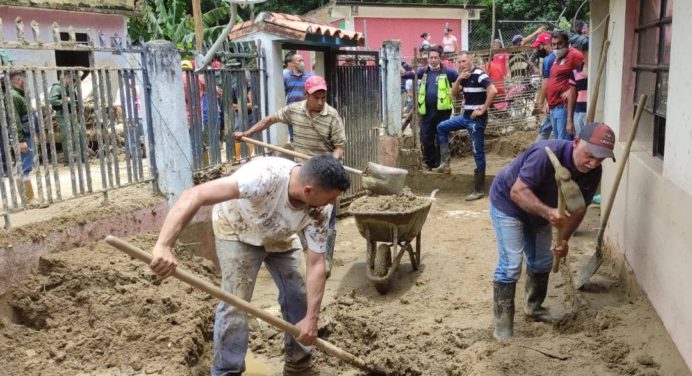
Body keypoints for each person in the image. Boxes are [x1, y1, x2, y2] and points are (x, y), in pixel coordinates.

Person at [149, 154, 350, 375]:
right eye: (330, 198)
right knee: (235, 302)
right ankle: (227, 371)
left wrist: (312, 318)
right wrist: (164, 245)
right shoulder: (263, 177)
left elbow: (315, 264)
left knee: (298, 295)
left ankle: (299, 364)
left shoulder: (321, 208)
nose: (333, 203)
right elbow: (194, 194)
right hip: (237, 229)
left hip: (281, 233)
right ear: (308, 191)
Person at [488, 122, 615, 341]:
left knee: (542, 262)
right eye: (590, 155)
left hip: (541, 212)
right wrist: (549, 213)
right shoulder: (545, 154)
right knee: (510, 266)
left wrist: (563, 240)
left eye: (600, 158)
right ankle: (503, 328)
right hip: (508, 203)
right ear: (575, 142)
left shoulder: (593, 172)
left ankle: (534, 308)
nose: (593, 163)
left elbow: (578, 209)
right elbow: (517, 192)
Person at [234, 75, 345, 277]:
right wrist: (247, 134)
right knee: (300, 212)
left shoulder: (332, 116)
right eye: (316, 98)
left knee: (326, 214)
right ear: (306, 95)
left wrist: (332, 163)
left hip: (324, 174)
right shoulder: (294, 110)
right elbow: (271, 119)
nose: (320, 102)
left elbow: (339, 146)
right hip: (302, 172)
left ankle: (325, 258)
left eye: (323, 97)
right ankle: (306, 252)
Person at [434, 52, 497, 201]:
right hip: (465, 117)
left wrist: (483, 108)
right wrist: (458, 80)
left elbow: (493, 90)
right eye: (459, 62)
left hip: (477, 121)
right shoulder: (463, 76)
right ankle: (445, 164)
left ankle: (479, 189)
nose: (461, 64)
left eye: (464, 61)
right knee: (441, 127)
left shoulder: (479, 75)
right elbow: (453, 95)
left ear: (471, 61)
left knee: (477, 151)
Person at [402, 45, 459, 170]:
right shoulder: (423, 71)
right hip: (426, 111)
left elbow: (460, 80)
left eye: (435, 58)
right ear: (427, 59)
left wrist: (458, 90)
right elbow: (410, 75)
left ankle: (441, 164)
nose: (433, 60)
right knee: (426, 136)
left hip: (443, 112)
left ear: (440, 58)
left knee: (440, 137)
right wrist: (401, 71)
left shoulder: (448, 72)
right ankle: (430, 163)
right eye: (431, 58)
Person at [545, 30, 584, 140]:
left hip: (563, 106)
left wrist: (571, 90)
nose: (556, 47)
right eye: (553, 44)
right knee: (558, 143)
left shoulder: (574, 55)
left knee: (563, 144)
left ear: (567, 43)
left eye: (559, 43)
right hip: (553, 107)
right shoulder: (556, 58)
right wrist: (548, 102)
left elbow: (584, 75)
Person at [6, 70, 35, 201]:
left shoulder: (19, 95)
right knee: (24, 166)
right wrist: (20, 140)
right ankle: (29, 199)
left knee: (25, 165)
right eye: (24, 79)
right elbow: (14, 120)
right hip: (23, 137)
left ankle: (28, 197)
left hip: (26, 135)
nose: (26, 82)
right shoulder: (13, 96)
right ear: (18, 80)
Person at [49, 71, 86, 164]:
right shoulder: (57, 87)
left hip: (72, 114)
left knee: (80, 133)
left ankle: (83, 158)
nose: (72, 80)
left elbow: (75, 100)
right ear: (65, 77)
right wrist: (66, 101)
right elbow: (52, 100)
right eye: (70, 78)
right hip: (62, 114)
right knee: (67, 136)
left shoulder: (70, 88)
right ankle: (68, 160)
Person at [283, 52, 313, 142]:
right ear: (292, 64)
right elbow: (282, 93)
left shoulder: (309, 76)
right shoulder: (285, 76)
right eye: (299, 61)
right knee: (294, 137)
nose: (302, 63)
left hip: (306, 110)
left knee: (306, 135)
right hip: (291, 110)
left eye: (303, 60)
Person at [532, 32, 556, 141]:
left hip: (554, 101)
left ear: (546, 44)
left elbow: (546, 83)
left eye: (539, 46)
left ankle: (535, 153)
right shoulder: (559, 56)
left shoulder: (549, 59)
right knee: (549, 129)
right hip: (556, 101)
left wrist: (540, 102)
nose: (538, 49)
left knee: (546, 130)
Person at [569, 37, 589, 136]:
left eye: (586, 52)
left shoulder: (598, 72)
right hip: (578, 112)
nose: (584, 55)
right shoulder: (575, 72)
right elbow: (572, 96)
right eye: (583, 52)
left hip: (590, 112)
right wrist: (569, 119)